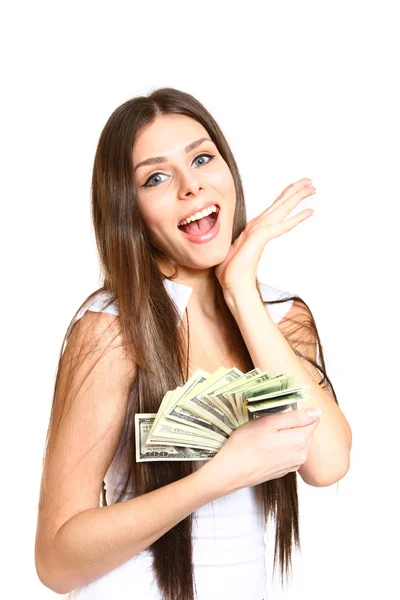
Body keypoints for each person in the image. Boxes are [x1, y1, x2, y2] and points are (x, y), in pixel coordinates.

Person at [34, 87, 352, 600]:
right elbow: (56, 563)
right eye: (156, 177)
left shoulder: (280, 317)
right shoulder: (111, 331)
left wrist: (240, 288)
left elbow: (327, 462)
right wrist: (216, 477)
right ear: (128, 208)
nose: (191, 186)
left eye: (202, 158)